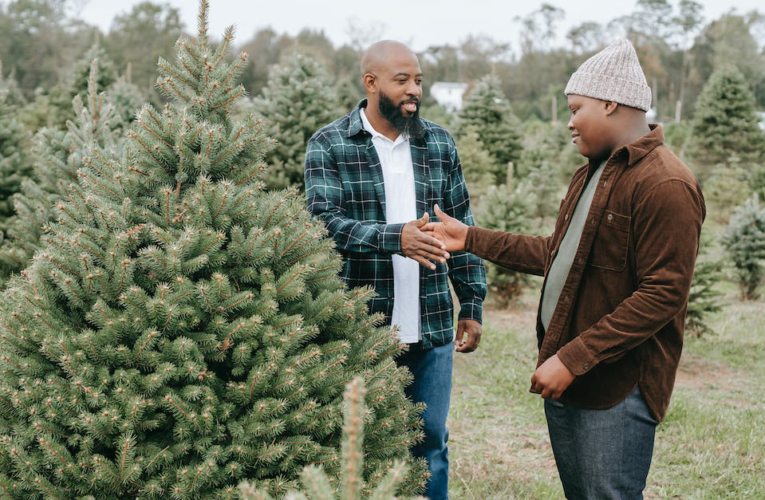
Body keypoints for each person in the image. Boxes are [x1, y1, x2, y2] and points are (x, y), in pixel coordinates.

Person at [423, 38, 705, 499]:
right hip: (570, 377)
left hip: (616, 389)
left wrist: (571, 359)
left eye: (576, 109)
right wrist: (469, 239)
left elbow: (663, 294)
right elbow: (559, 254)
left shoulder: (665, 182)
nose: (570, 123)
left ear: (611, 102)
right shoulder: (594, 172)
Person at [304, 40, 487, 499]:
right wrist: (395, 238)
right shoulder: (329, 144)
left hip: (431, 323)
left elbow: (462, 228)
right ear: (371, 83)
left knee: (430, 442)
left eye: (419, 80)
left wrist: (473, 302)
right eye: (402, 80)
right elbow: (322, 222)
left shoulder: (439, 143)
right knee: (356, 444)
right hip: (362, 326)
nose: (414, 90)